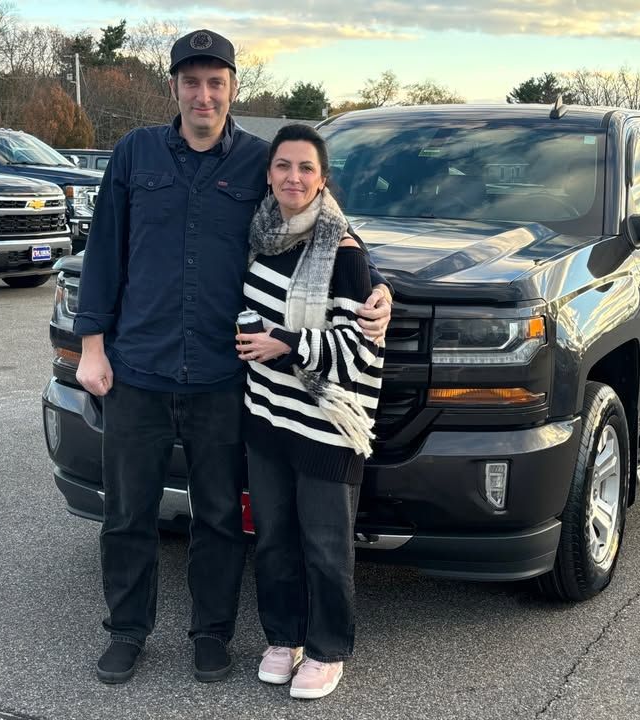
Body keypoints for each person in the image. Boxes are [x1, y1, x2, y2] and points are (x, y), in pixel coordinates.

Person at [72, 29, 393, 685]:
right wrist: (92, 347)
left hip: (223, 378)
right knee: (127, 514)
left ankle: (211, 633)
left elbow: (323, 214)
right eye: (191, 81)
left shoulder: (257, 160)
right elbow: (104, 251)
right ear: (174, 89)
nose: (203, 93)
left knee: (218, 517)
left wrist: (376, 284)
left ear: (232, 89)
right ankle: (127, 631)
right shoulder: (136, 154)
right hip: (137, 370)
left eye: (215, 82)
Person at [235, 124, 385, 700]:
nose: (292, 178)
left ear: (323, 180)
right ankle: (284, 637)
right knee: (273, 538)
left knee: (325, 545)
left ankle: (327, 649)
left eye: (305, 168)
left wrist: (286, 343)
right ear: (269, 174)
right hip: (266, 416)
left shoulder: (343, 251)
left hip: (323, 425)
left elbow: (358, 349)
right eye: (282, 167)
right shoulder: (261, 236)